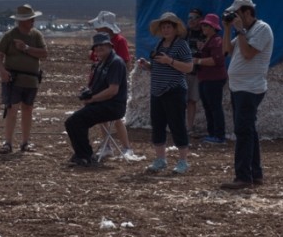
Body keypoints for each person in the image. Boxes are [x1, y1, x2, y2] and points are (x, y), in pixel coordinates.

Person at [220, 0, 274, 190]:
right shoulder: (245, 32)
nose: (235, 17)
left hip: (250, 88)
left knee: (243, 132)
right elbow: (226, 50)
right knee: (249, 131)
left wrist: (240, 30)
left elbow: (248, 53)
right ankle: (256, 174)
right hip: (239, 87)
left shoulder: (262, 29)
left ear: (247, 12)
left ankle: (243, 177)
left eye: (237, 13)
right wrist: (227, 28)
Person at [136, 12, 193, 175]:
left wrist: (171, 61)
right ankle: (160, 159)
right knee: (158, 125)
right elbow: (157, 68)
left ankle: (183, 161)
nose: (166, 30)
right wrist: (147, 66)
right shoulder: (159, 45)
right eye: (163, 27)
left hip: (174, 90)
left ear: (175, 29)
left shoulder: (181, 45)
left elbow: (189, 67)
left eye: (169, 27)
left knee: (177, 125)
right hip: (157, 91)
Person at [65, 33, 129, 167]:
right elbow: (97, 87)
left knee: (77, 121)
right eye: (96, 47)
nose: (99, 49)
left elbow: (113, 90)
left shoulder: (115, 62)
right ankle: (82, 154)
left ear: (110, 46)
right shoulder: (100, 64)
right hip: (101, 104)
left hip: (112, 106)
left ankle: (86, 156)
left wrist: (92, 98)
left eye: (102, 45)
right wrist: (87, 93)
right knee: (72, 122)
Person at [0, 4, 48, 154]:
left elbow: (44, 53)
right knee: (12, 109)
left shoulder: (36, 35)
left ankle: (25, 142)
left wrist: (26, 48)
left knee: (28, 109)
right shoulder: (9, 36)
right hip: (13, 79)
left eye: (32, 19)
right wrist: (2, 71)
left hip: (31, 80)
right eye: (30, 19)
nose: (33, 22)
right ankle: (8, 143)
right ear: (21, 21)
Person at [87, 10, 138, 161]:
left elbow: (126, 62)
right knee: (102, 115)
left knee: (116, 117)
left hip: (114, 83)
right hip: (99, 81)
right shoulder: (98, 42)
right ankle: (107, 146)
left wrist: (119, 80)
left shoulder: (119, 41)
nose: (96, 29)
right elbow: (94, 59)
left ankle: (127, 147)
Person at [192, 13, 228, 144]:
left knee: (214, 106)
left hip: (214, 78)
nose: (203, 28)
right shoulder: (209, 40)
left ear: (213, 28)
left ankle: (219, 135)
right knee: (208, 106)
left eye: (206, 25)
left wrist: (198, 61)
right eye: (203, 25)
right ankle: (212, 133)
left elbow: (216, 60)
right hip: (206, 78)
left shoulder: (217, 41)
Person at [185, 8, 205, 135]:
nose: (191, 20)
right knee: (180, 99)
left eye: (194, 18)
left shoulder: (205, 34)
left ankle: (189, 127)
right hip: (182, 71)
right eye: (189, 18)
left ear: (200, 20)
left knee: (192, 100)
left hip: (196, 72)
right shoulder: (184, 34)